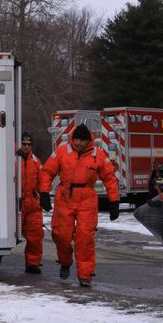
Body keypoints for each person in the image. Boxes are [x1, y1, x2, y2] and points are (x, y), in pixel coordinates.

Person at [39, 123, 119, 288]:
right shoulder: (62, 151)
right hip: (65, 197)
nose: (79, 143)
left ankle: (85, 275)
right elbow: (47, 171)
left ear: (88, 140)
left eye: (82, 140)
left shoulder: (98, 154)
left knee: (85, 238)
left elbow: (110, 178)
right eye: (76, 139)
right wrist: (44, 193)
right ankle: (65, 262)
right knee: (61, 235)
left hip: (87, 200)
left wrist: (114, 201)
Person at [17, 132, 43, 274]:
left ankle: (33, 263)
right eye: (24, 144)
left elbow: (42, 181)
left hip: (32, 204)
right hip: (17, 204)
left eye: (29, 144)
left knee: (35, 235)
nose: (26, 147)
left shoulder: (36, 162)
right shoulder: (13, 160)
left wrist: (42, 195)